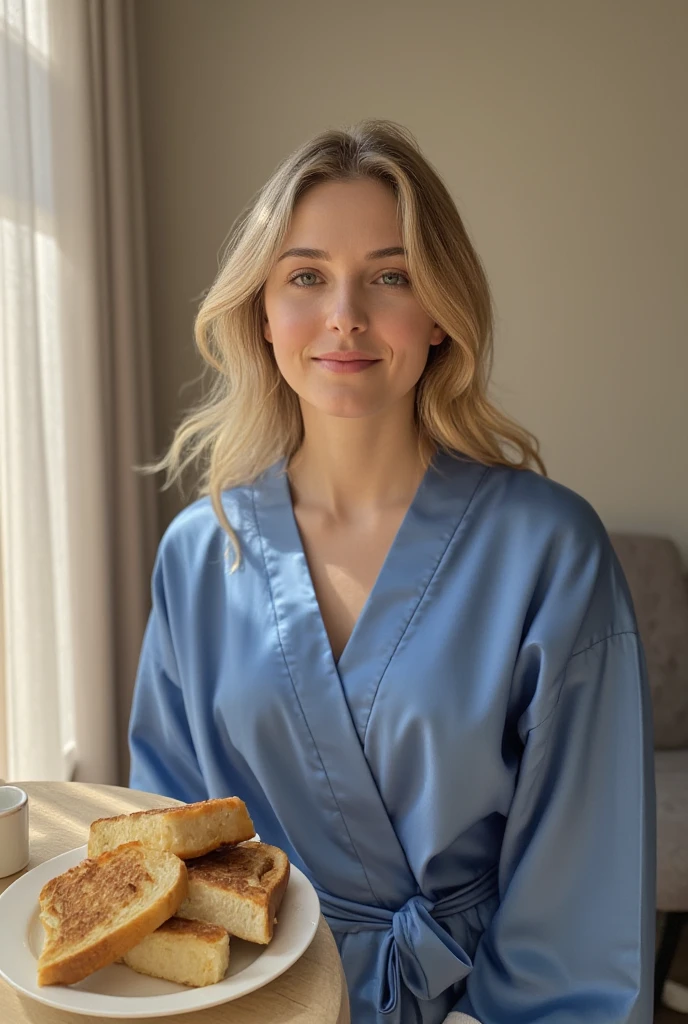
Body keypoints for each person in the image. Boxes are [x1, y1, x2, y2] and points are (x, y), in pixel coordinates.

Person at [128, 119, 655, 1024]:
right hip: (252, 1001)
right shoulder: (198, 551)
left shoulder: (552, 549)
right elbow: (169, 844)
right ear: (262, 310)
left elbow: (584, 877)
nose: (345, 315)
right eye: (305, 277)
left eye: (390, 275)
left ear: (441, 309)